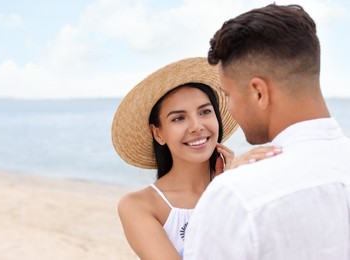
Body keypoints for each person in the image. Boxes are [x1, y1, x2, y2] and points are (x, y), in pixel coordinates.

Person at [184, 4, 350, 260]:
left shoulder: (237, 195)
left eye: (228, 95)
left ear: (258, 92)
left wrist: (228, 186)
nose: (229, 109)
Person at [112, 57, 281, 259]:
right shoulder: (139, 205)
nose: (197, 126)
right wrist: (220, 196)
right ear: (158, 134)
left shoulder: (237, 188)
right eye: (178, 118)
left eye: (205, 112)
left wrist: (230, 187)